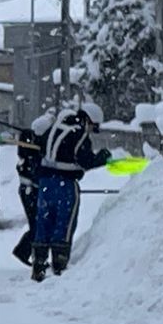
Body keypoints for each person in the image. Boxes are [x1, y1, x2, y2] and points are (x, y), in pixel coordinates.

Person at [30, 102, 110, 282]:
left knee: (44, 221)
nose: (91, 131)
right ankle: (59, 264)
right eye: (93, 127)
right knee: (63, 223)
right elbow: (86, 161)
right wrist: (102, 157)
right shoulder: (79, 134)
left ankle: (39, 264)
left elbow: (40, 149)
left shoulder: (55, 128)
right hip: (64, 184)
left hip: (44, 183)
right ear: (88, 120)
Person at [10, 111, 53, 267]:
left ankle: (27, 252)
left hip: (31, 190)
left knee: (38, 224)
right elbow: (36, 172)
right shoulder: (32, 152)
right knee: (38, 225)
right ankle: (25, 252)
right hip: (30, 191)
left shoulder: (34, 148)